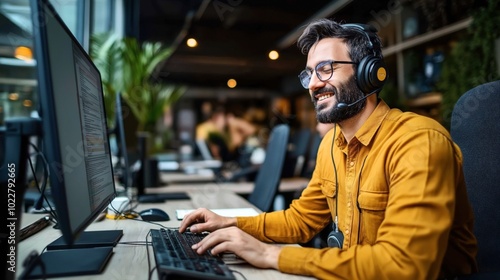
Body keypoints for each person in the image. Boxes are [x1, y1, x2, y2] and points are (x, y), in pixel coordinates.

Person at [180, 19, 477, 279]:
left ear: (367, 73)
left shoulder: (418, 141)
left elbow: (405, 267)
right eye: (309, 74)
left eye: (325, 69)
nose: (312, 85)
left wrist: (272, 255)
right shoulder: (331, 146)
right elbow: (301, 220)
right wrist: (229, 221)